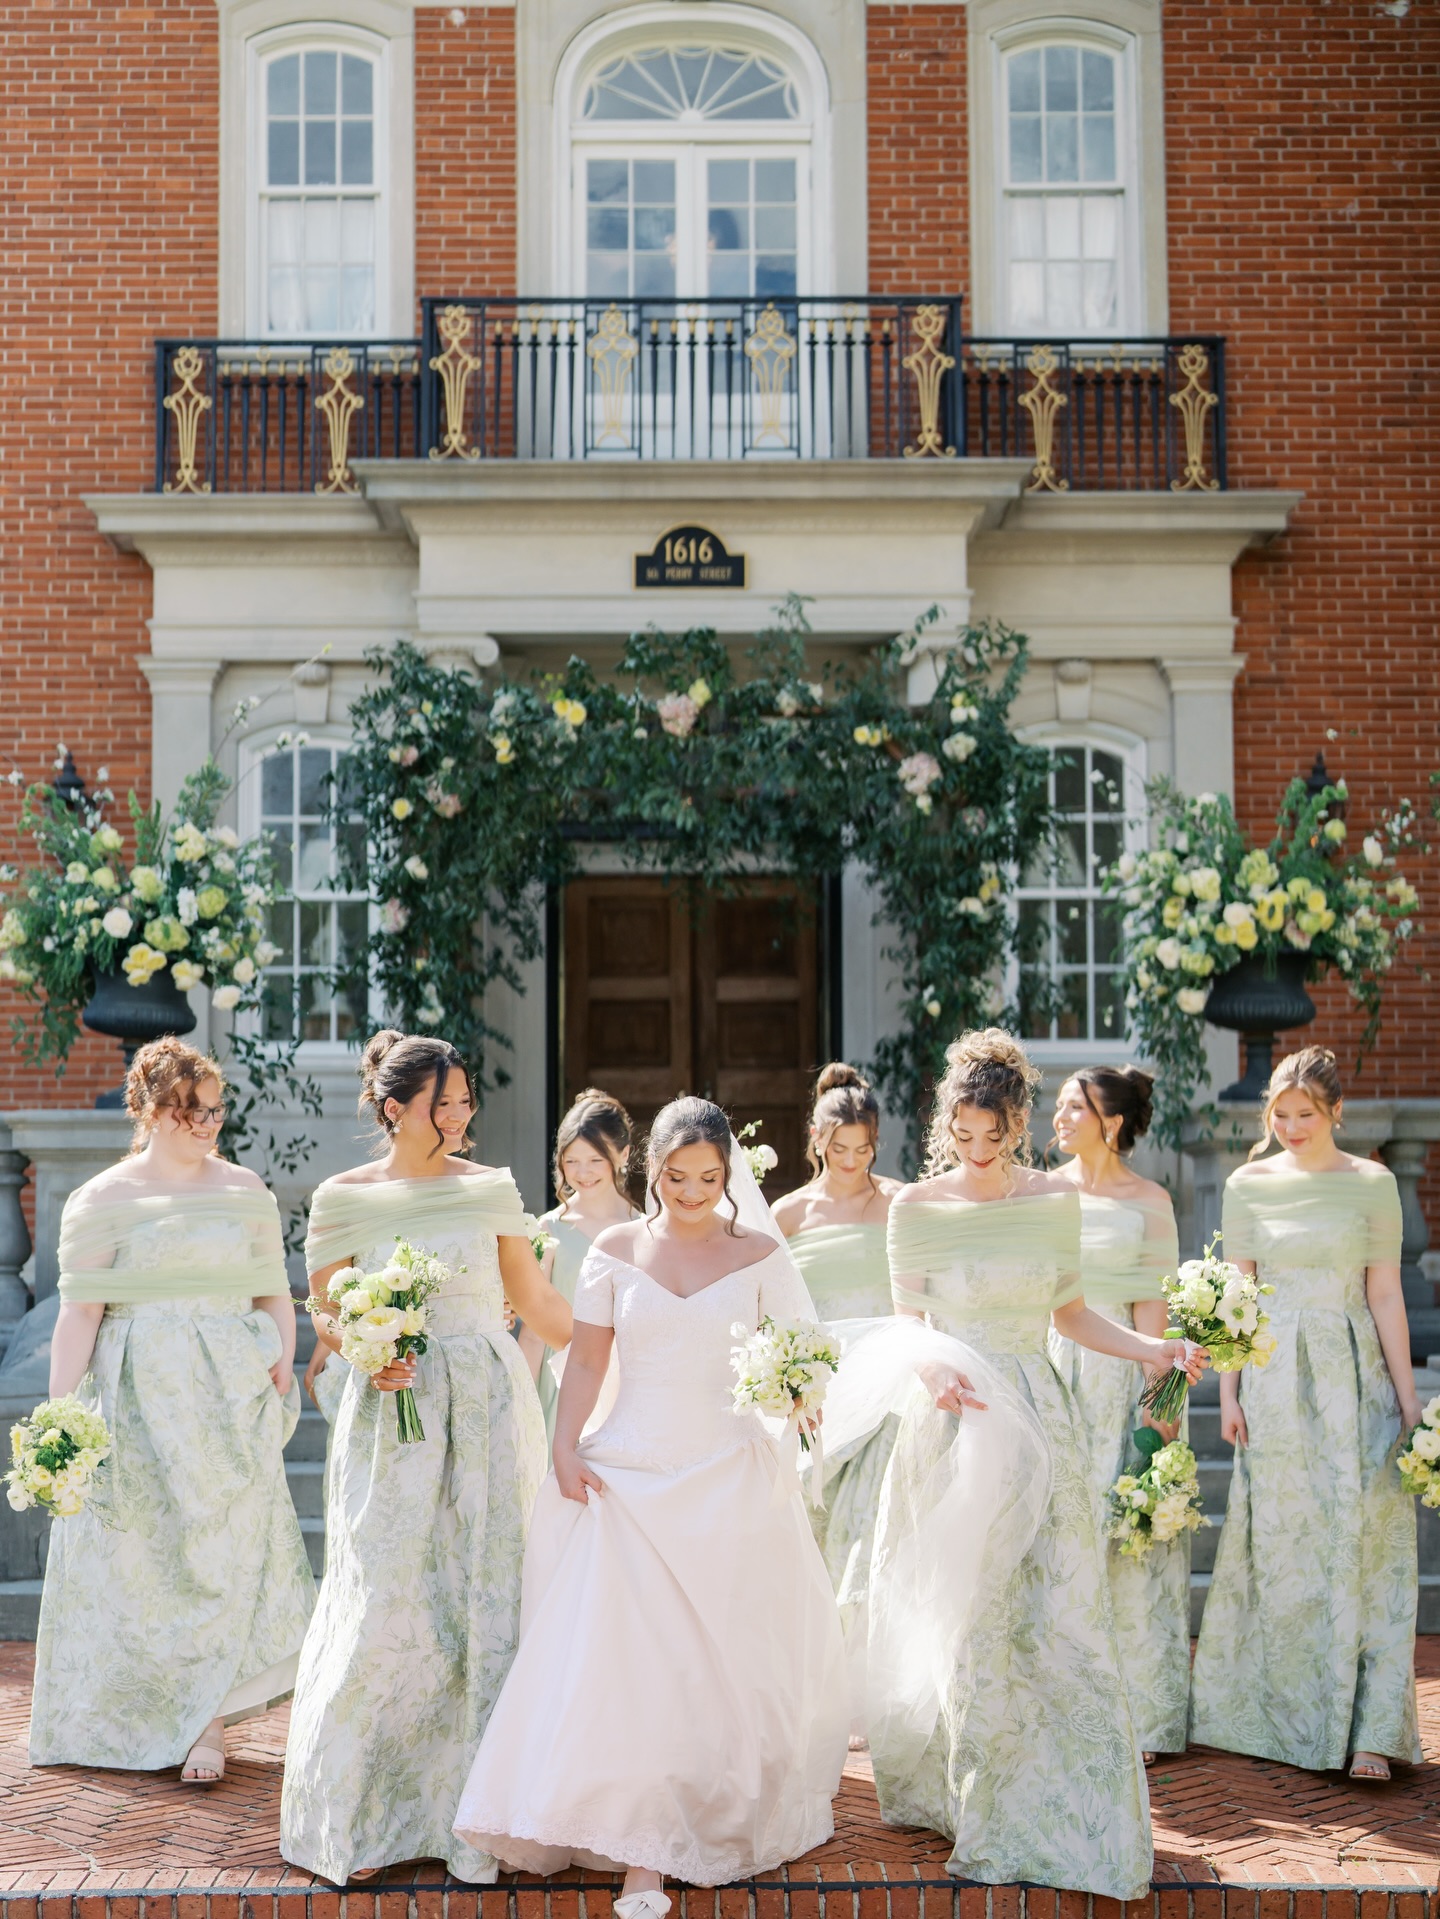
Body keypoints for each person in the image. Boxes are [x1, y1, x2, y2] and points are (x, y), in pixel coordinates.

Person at [452, 1096, 849, 1914]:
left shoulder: (759, 1253)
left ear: (728, 1172)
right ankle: (637, 1847)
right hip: (627, 1478)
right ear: (652, 1170)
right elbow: (590, 1362)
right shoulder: (613, 1248)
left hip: (729, 1479)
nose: (694, 1191)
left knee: (710, 1665)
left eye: (709, 1177)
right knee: (629, 1667)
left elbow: (804, 1355)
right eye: (677, 1176)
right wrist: (566, 1444)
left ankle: (683, 1826)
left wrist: (795, 1392)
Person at [868, 1029, 1206, 1901]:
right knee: (974, 1621)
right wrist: (933, 1364)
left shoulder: (1056, 1200)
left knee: (1056, 1612)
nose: (979, 1154)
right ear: (948, 1124)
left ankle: (1066, 1794)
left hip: (1039, 1416)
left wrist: (1153, 1348)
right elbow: (907, 1321)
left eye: (995, 1137)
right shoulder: (915, 1206)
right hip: (955, 1420)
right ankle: (979, 1803)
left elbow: (1070, 1315)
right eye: (964, 1137)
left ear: (1018, 1123)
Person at [280, 1030, 573, 1885]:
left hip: (485, 1410)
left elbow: (535, 1302)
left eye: (465, 1100)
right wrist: (367, 1344)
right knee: (387, 1598)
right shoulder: (340, 1198)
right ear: (394, 1108)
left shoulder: (490, 1189)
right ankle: (366, 1815)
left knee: (486, 1596)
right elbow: (327, 1314)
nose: (461, 1115)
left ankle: (479, 1818)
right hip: (391, 1421)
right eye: (444, 1103)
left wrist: (624, 1344)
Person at [29, 1038, 313, 1783]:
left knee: (217, 1558)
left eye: (216, 1109)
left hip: (225, 1397)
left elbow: (271, 1290)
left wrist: (280, 1358)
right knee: (146, 1562)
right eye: (193, 1110)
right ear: (152, 1109)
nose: (208, 1123)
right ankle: (153, 1713)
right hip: (136, 1398)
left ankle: (206, 1722)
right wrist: (59, 1414)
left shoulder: (246, 1188)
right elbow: (79, 1314)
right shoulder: (102, 1198)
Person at [1190, 1045, 1422, 1781]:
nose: (1290, 1125)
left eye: (1305, 1114)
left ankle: (1371, 1730)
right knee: (1287, 1545)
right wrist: (1227, 1392)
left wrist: (1410, 1398)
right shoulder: (1248, 1183)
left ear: (1335, 1113)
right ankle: (1289, 1716)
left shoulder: (1373, 1182)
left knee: (1368, 1544)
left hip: (1355, 1372)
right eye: (1280, 1113)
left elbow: (1385, 1292)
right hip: (1274, 1379)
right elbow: (1239, 1293)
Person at [1050, 1066, 1188, 1762]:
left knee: (1124, 1538)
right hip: (1052, 1371)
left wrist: (1157, 1419)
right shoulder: (1043, 1190)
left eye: (1074, 1106)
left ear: (1110, 1121)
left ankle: (1137, 1707)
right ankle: (1065, 1699)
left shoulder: (1149, 1202)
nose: (1059, 1116)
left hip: (1119, 1383)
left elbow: (1154, 1321)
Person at [770, 1063, 901, 1675]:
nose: (852, 1160)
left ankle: (872, 1668)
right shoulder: (790, 1214)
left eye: (864, 1148)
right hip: (819, 1387)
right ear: (817, 1141)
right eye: (839, 1147)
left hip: (889, 1379)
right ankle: (821, 1673)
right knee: (816, 1522)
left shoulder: (900, 1203)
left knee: (875, 1521)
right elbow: (766, 1302)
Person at [518, 1089, 638, 1454]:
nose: (582, 1173)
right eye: (572, 1161)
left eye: (595, 1160)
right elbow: (534, 1333)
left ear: (623, 1155)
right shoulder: (548, 1231)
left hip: (629, 1390)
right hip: (563, 1387)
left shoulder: (645, 1230)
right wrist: (520, 1405)